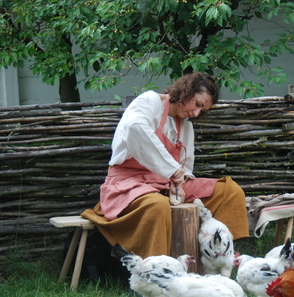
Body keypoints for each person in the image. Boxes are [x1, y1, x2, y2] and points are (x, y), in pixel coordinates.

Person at [82, 73, 249, 258]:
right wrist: (171, 170)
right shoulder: (150, 101)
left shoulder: (185, 126)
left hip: (164, 185)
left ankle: (218, 256)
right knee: (158, 206)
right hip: (129, 183)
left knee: (229, 191)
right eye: (198, 104)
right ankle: (155, 269)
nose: (196, 113)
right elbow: (134, 129)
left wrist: (178, 183)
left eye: (202, 111)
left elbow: (184, 168)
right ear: (186, 92)